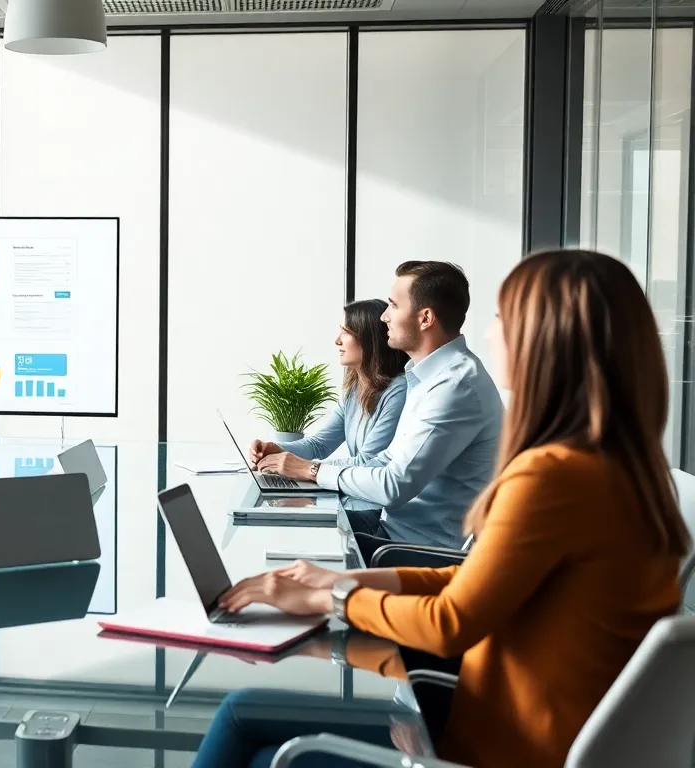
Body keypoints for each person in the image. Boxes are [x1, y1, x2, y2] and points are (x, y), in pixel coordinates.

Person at [198, 249, 690, 767]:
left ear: (543, 339)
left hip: (488, 739)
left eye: (501, 317)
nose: (486, 333)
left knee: (245, 722)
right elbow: (476, 583)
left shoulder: (553, 476)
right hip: (501, 713)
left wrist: (330, 602)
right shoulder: (616, 470)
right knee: (245, 714)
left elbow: (452, 621)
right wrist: (339, 583)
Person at [262, 262, 502, 553]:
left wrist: (312, 471)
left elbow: (394, 486)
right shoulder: (427, 377)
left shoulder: (455, 386)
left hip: (419, 551)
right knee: (287, 538)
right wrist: (297, 463)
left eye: (393, 305)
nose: (385, 317)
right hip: (392, 533)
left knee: (297, 559)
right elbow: (385, 460)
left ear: (425, 318)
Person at [250, 299, 409, 476]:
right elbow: (319, 445)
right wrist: (276, 449)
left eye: (346, 332)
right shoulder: (354, 390)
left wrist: (302, 468)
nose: (337, 340)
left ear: (370, 340)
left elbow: (368, 462)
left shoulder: (398, 392)